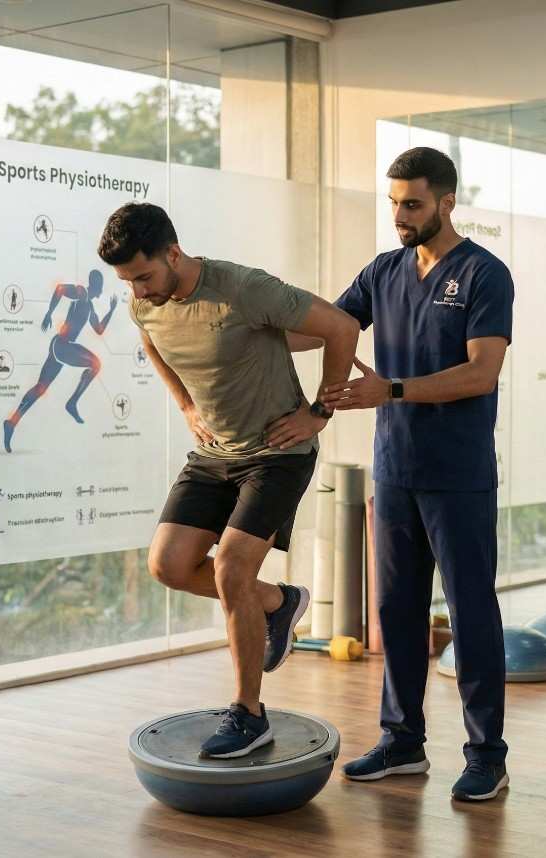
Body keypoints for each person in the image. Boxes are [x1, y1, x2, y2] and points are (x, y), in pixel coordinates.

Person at [99, 202, 359, 758]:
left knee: (232, 571)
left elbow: (341, 326)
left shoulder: (243, 288)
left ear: (174, 253)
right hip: (215, 453)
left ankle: (248, 713)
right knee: (167, 565)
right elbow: (152, 343)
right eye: (127, 282)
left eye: (143, 277)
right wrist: (186, 404)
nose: (138, 293)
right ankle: (278, 602)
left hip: (277, 454)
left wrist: (319, 411)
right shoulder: (143, 305)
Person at [320, 147, 514, 801]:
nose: (400, 216)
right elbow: (328, 322)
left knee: (470, 615)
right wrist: (250, 321)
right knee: (397, 612)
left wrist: (393, 390)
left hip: (458, 475)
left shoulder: (485, 274)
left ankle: (487, 752)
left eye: (413, 204)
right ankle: (402, 742)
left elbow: (482, 372)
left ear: (447, 203)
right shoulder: (383, 271)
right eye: (394, 203)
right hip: (395, 472)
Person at [3, 270, 117, 452]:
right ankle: (72, 403)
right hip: (64, 346)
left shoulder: (90, 307)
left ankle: (11, 422)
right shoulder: (82, 293)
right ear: (95, 286)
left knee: (40, 388)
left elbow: (100, 329)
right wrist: (49, 313)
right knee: (95, 364)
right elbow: (60, 289)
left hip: (58, 347)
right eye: (100, 288)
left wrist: (111, 310)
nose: (101, 292)